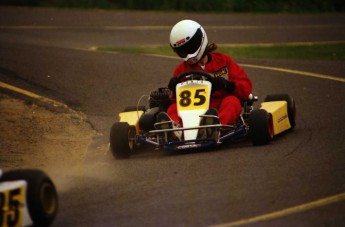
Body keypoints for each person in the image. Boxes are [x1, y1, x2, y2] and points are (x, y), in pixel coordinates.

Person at [157, 19, 252, 139]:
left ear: (200, 40)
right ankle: (176, 130)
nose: (188, 54)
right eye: (182, 51)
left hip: (218, 106)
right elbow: (175, 101)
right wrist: (174, 89)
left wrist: (227, 85)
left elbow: (245, 87)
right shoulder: (180, 71)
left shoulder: (223, 61)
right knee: (173, 108)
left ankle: (215, 127)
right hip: (189, 111)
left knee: (232, 102)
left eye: (190, 47)